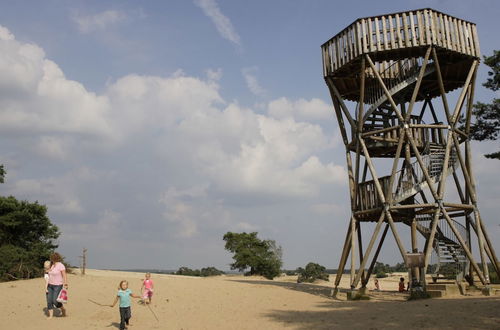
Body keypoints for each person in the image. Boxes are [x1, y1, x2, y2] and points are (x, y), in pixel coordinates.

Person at [46, 252, 68, 319]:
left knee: (55, 301)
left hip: (58, 285)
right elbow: (48, 273)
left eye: (52, 258)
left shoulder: (61, 265)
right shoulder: (51, 265)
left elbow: (64, 275)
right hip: (49, 285)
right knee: (49, 301)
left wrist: (66, 283)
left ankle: (63, 309)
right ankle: (50, 316)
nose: (52, 259)